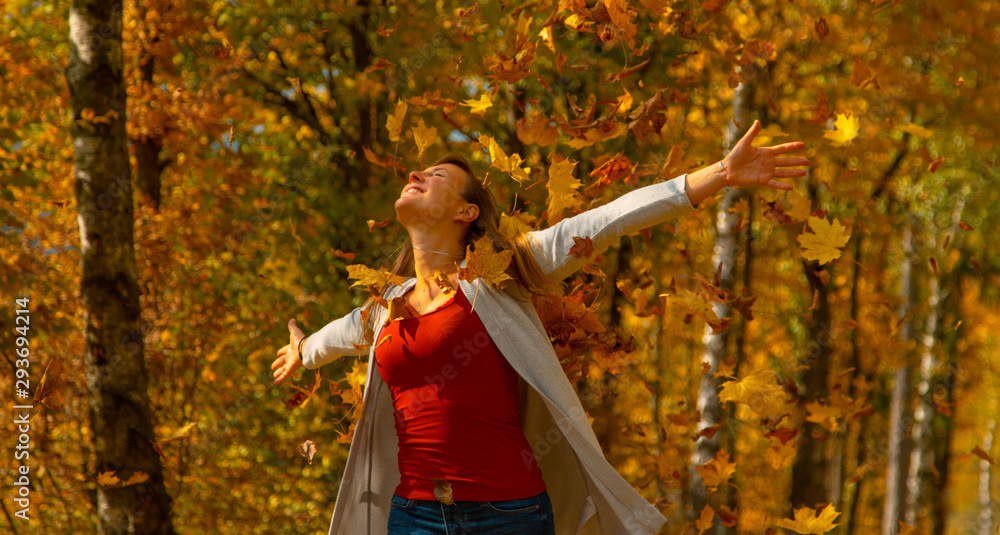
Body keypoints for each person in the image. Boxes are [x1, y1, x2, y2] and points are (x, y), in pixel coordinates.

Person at [271, 119, 809, 535]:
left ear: (465, 214)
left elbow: (604, 220)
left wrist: (718, 174)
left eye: (435, 177)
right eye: (419, 172)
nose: (415, 175)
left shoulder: (500, 277)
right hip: (413, 516)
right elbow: (342, 333)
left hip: (508, 515)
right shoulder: (386, 306)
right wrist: (305, 350)